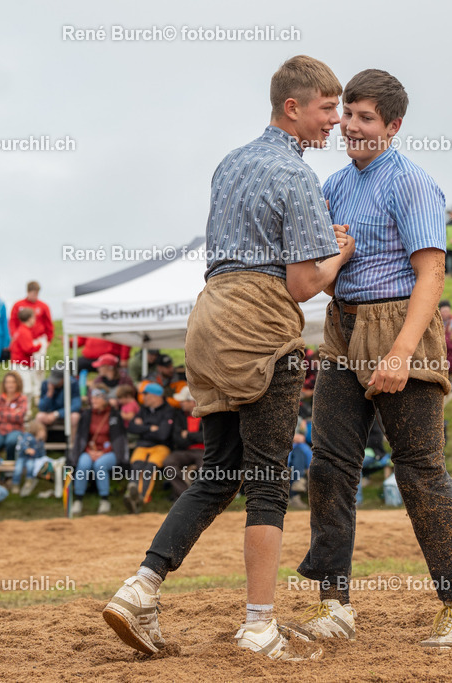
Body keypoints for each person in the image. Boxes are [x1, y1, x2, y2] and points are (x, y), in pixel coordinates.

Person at [102, 55, 352, 662]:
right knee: (268, 481)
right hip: (259, 321)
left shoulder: (230, 162)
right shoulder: (296, 177)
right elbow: (299, 284)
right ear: (292, 108)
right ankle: (259, 626)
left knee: (218, 473)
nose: (335, 122)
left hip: (209, 316)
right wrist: (340, 254)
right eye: (326, 108)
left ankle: (140, 589)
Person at [292, 68, 452, 651]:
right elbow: (322, 273)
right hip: (342, 326)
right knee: (329, 466)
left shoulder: (412, 183)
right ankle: (335, 605)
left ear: (393, 126)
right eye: (347, 114)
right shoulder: (332, 186)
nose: (350, 126)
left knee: (420, 468)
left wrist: (401, 354)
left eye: (365, 118)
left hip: (400, 325)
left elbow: (433, 272)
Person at [69, 389, 128, 516]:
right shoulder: (86, 415)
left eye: (97, 397)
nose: (93, 400)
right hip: (90, 450)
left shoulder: (114, 415)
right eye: (92, 397)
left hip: (110, 452)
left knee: (100, 465)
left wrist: (103, 452)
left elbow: (118, 440)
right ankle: (78, 500)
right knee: (83, 464)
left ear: (105, 400)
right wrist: (88, 451)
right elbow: (82, 438)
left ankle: (104, 500)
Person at [124, 382, 177, 512]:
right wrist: (150, 428)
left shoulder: (168, 410)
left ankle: (141, 497)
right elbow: (131, 427)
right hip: (143, 445)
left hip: (161, 446)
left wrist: (142, 427)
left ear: (155, 396)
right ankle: (132, 494)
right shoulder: (144, 409)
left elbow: (163, 435)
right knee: (136, 465)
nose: (143, 398)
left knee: (149, 467)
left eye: (146, 395)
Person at [162, 385, 205, 501]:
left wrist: (188, 435)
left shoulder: (206, 415)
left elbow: (206, 437)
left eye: (184, 401)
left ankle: (203, 498)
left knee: (205, 468)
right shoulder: (179, 415)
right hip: (185, 450)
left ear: (193, 402)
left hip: (204, 451)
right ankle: (185, 497)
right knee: (169, 462)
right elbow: (177, 439)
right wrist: (195, 438)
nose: (181, 403)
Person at [9, 281, 54, 384]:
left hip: (38, 339)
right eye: (33, 293)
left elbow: (48, 323)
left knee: (39, 366)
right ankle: (27, 386)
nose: (35, 296)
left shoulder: (43, 306)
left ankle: (39, 389)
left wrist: (48, 339)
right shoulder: (18, 305)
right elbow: (13, 321)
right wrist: (15, 334)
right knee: (25, 364)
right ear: (28, 292)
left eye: (37, 294)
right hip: (24, 338)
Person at [8, 308, 45, 404]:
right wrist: (39, 345)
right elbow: (28, 349)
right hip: (21, 364)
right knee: (26, 389)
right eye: (33, 318)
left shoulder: (21, 330)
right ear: (29, 319)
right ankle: (24, 412)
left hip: (18, 363)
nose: (35, 320)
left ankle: (22, 411)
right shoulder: (24, 331)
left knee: (22, 388)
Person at [0, 371, 28, 457]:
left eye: (13, 382)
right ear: (4, 384)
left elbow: (19, 417)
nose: (10, 385)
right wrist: (12, 412)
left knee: (11, 441)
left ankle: (11, 463)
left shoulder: (22, 398)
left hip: (16, 430)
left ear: (17, 384)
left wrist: (1, 413)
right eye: (8, 382)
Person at [35, 369, 81, 434]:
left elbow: (76, 405)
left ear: (64, 379)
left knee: (75, 417)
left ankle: (73, 443)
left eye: (57, 380)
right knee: (39, 416)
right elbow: (41, 408)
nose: (53, 383)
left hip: (66, 414)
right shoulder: (45, 384)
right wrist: (49, 394)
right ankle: (40, 443)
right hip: (49, 415)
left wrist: (57, 414)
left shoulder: (73, 383)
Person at [12, 421, 49, 497]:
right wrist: (27, 449)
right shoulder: (28, 437)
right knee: (18, 469)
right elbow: (22, 444)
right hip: (22, 457)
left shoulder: (40, 441)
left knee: (30, 466)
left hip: (31, 458)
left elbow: (42, 452)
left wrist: (43, 458)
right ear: (36, 431)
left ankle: (29, 480)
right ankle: (15, 484)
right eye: (42, 431)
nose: (44, 433)